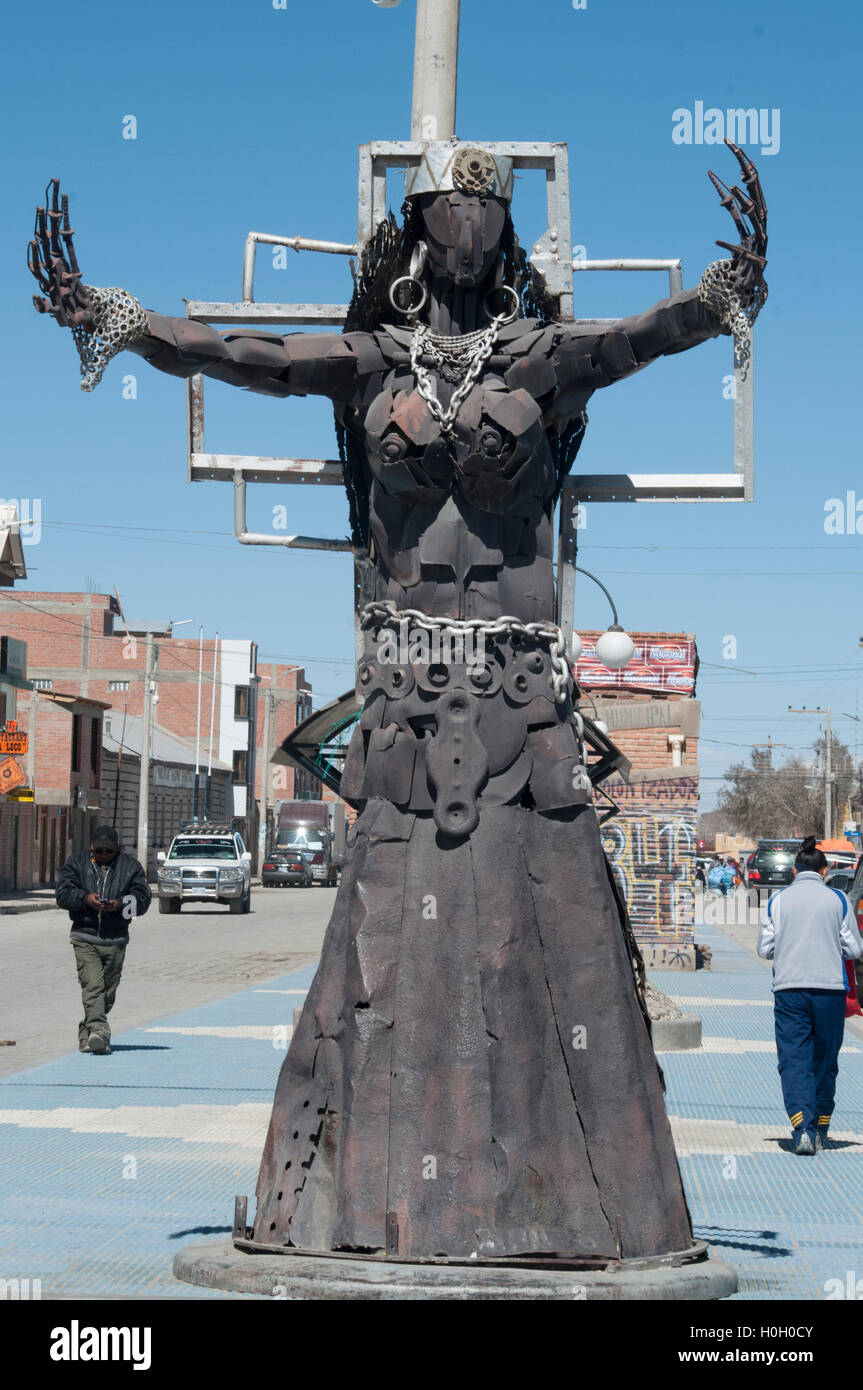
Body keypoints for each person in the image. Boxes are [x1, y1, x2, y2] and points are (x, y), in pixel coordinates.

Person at [758, 836, 863, 1155]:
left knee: (794, 1058)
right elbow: (855, 948)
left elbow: (764, 949)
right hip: (830, 992)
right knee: (825, 1059)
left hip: (790, 991)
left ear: (794, 870)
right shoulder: (838, 899)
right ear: (825, 870)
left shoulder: (778, 900)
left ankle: (801, 1127)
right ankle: (820, 1126)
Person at [56, 825, 151, 1055]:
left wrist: (120, 905)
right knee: (93, 986)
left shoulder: (131, 867)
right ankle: (100, 1032)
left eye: (109, 852)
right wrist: (86, 898)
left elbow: (143, 899)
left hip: (116, 938)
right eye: (99, 851)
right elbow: (63, 895)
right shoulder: (76, 863)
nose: (104, 856)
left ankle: (86, 1032)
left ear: (116, 849)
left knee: (107, 993)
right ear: (91, 848)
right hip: (85, 936)